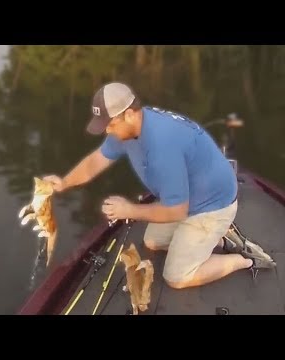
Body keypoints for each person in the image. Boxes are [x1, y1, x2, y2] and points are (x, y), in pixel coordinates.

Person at [44, 82, 275, 289]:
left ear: (129, 115)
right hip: (186, 198)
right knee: (152, 242)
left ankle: (245, 260)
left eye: (110, 124)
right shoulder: (125, 130)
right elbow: (95, 162)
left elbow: (176, 211)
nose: (107, 130)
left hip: (212, 206)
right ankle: (222, 240)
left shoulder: (162, 146)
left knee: (176, 277)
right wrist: (64, 183)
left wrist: (129, 210)